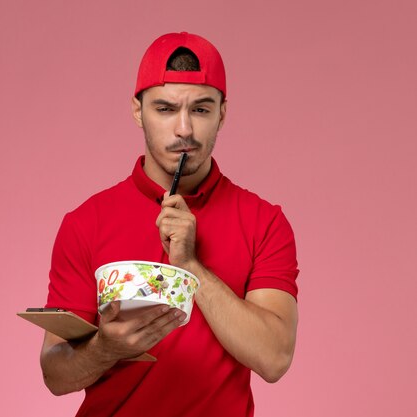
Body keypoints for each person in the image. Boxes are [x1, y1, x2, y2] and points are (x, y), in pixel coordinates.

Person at [39, 32, 299, 417]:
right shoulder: (86, 223)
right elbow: (55, 373)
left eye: (200, 110)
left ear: (222, 114)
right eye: (164, 109)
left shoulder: (264, 222)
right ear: (136, 110)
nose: (184, 131)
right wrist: (106, 349)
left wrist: (191, 267)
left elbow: (274, 358)